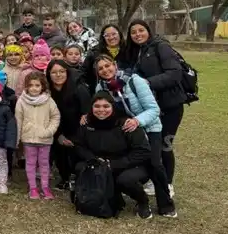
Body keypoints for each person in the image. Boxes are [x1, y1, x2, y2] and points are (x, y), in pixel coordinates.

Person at [94, 54, 176, 216]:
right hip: (127, 132)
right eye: (100, 68)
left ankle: (166, 205)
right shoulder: (101, 88)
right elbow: (101, 110)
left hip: (149, 128)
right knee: (129, 165)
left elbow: (154, 109)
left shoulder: (134, 81)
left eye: (107, 65)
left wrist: (137, 121)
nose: (105, 70)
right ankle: (135, 195)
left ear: (115, 65)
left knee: (155, 164)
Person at [124, 20, 186, 190]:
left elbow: (175, 74)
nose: (137, 34)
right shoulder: (137, 51)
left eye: (141, 30)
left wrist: (147, 83)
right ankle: (154, 178)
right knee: (151, 144)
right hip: (149, 106)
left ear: (148, 31)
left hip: (170, 105)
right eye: (133, 32)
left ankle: (167, 184)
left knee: (165, 145)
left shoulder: (161, 46)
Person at [73, 92, 155, 219]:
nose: (101, 110)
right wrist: (93, 159)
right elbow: (79, 146)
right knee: (80, 168)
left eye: (106, 106)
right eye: (97, 106)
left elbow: (143, 151)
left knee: (124, 180)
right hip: (100, 162)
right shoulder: (87, 124)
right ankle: (111, 198)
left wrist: (115, 164)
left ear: (113, 107)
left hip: (129, 164)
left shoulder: (126, 124)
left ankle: (143, 202)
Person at [15, 71, 60, 200]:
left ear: (42, 86)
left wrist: (49, 131)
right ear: (26, 86)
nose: (34, 88)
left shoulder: (49, 100)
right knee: (30, 163)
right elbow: (18, 120)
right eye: (31, 85)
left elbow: (55, 117)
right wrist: (17, 139)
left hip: (45, 139)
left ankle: (45, 187)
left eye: (37, 85)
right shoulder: (21, 101)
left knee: (44, 163)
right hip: (28, 138)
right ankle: (33, 188)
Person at [46, 60, 91, 189]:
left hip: (78, 131)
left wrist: (76, 137)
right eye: (54, 72)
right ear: (49, 75)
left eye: (62, 71)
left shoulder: (79, 89)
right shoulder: (47, 93)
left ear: (67, 72)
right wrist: (59, 135)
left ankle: (79, 177)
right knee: (58, 149)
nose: (58, 75)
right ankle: (65, 177)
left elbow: (86, 115)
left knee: (76, 151)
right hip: (57, 130)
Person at [81, 24, 127, 92]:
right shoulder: (94, 53)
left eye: (114, 34)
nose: (111, 37)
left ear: (119, 34)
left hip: (127, 89)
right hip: (102, 92)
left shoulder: (129, 50)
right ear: (103, 37)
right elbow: (84, 72)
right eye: (107, 35)